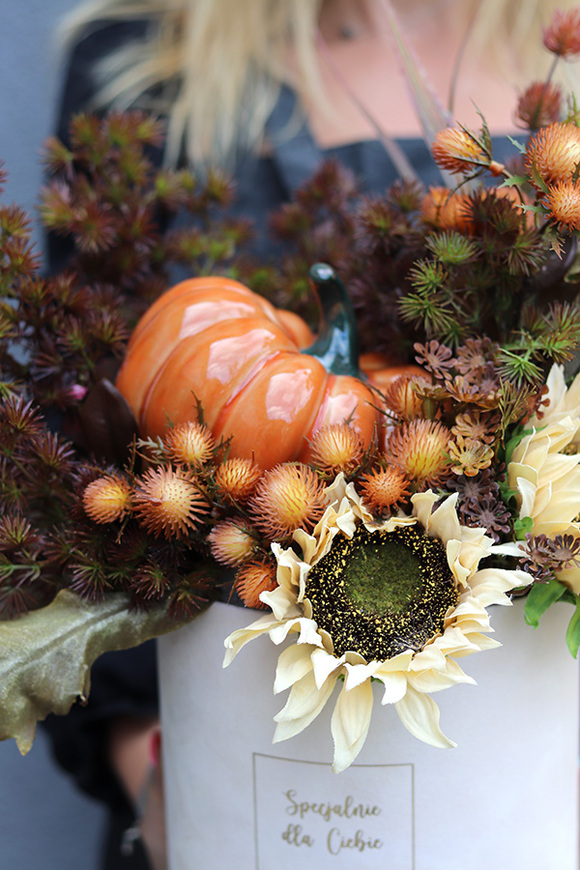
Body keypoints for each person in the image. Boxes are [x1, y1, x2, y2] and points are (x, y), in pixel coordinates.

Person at [42, 1, 580, 867]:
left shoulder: (566, 75)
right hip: (235, 807)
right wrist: (159, 779)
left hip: (533, 811)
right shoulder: (144, 62)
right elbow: (73, 456)